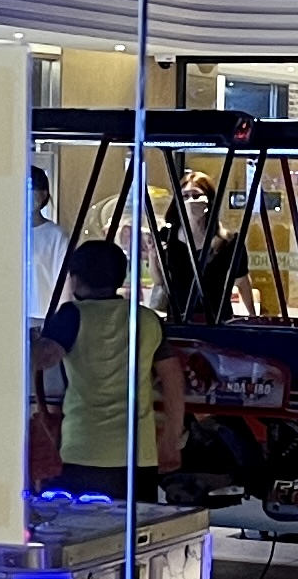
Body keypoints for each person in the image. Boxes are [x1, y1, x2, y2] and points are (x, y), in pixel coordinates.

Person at [42, 238, 186, 493]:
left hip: (83, 451)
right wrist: (171, 438)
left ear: (75, 279)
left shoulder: (71, 316)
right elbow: (173, 380)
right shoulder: (146, 318)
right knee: (136, 518)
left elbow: (43, 358)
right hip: (139, 455)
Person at [157, 175, 247, 323]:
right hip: (179, 319)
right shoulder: (167, 236)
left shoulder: (229, 242)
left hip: (218, 319)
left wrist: (252, 317)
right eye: (185, 196)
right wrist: (153, 253)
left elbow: (242, 280)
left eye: (196, 195)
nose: (191, 201)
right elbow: (159, 279)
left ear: (209, 200)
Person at [25, 166, 67, 323]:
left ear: (43, 195)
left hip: (42, 318)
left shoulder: (56, 236)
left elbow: (65, 284)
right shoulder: (6, 233)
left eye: (31, 189)